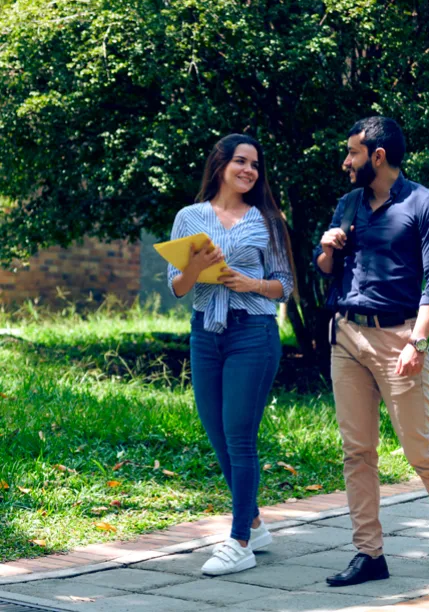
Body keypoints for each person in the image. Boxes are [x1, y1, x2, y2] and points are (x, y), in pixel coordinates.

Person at [314, 116, 429, 587]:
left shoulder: (425, 206)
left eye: (353, 154)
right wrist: (326, 248)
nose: (346, 162)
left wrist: (418, 342)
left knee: (418, 447)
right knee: (357, 451)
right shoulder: (347, 205)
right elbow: (326, 269)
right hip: (347, 336)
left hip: (398, 337)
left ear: (377, 157)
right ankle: (369, 554)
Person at [167, 134, 295, 576]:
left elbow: (285, 285)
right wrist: (196, 268)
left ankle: (239, 541)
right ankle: (255, 522)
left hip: (252, 333)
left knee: (240, 434)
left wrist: (251, 284)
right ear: (220, 164)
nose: (249, 170)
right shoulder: (190, 217)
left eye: (255, 165)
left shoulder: (268, 220)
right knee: (217, 433)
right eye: (241, 161)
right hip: (205, 332)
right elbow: (178, 287)